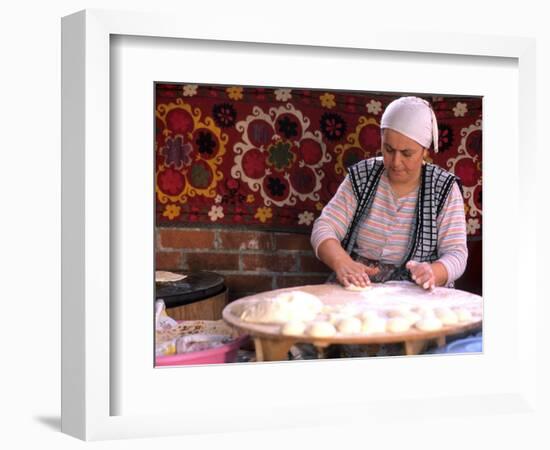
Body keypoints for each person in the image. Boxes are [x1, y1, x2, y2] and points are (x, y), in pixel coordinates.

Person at [311, 96, 468, 290]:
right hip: (359, 284)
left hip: (415, 291)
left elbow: (457, 253)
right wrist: (342, 262)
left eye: (407, 153)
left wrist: (433, 272)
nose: (395, 162)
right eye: (388, 149)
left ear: (425, 151)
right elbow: (324, 226)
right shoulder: (363, 176)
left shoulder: (443, 189)